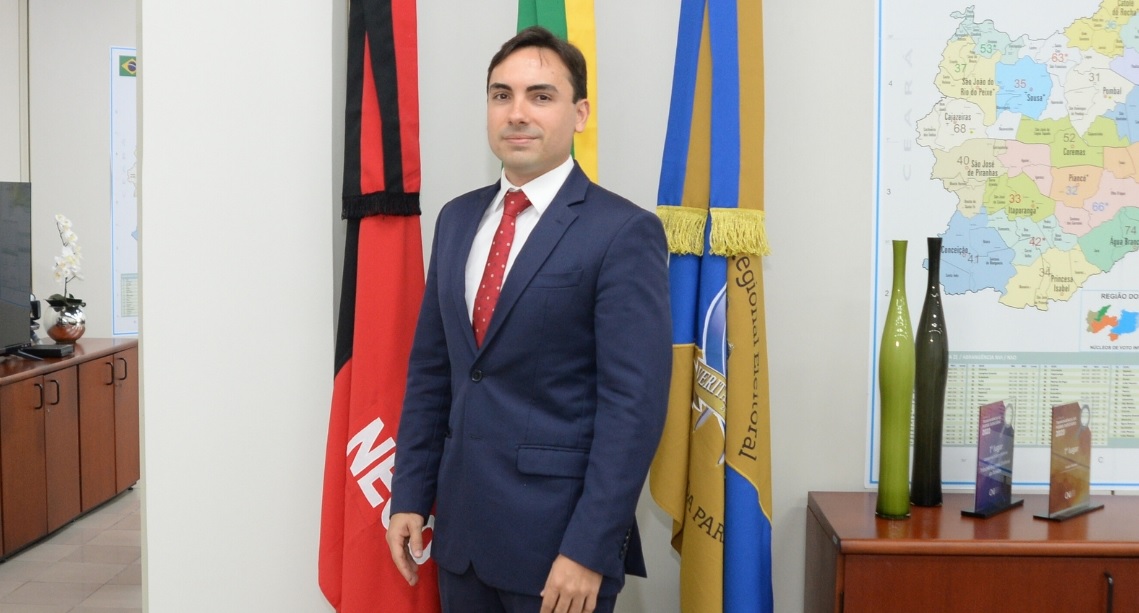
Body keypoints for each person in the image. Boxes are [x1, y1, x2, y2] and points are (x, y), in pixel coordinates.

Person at [385, 25, 671, 613]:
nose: (517, 113)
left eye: (541, 96)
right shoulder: (456, 220)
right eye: (502, 95)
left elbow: (633, 408)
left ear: (580, 113)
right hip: (460, 542)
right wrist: (409, 494)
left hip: (559, 553)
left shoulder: (623, 232)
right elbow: (433, 372)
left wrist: (589, 550)